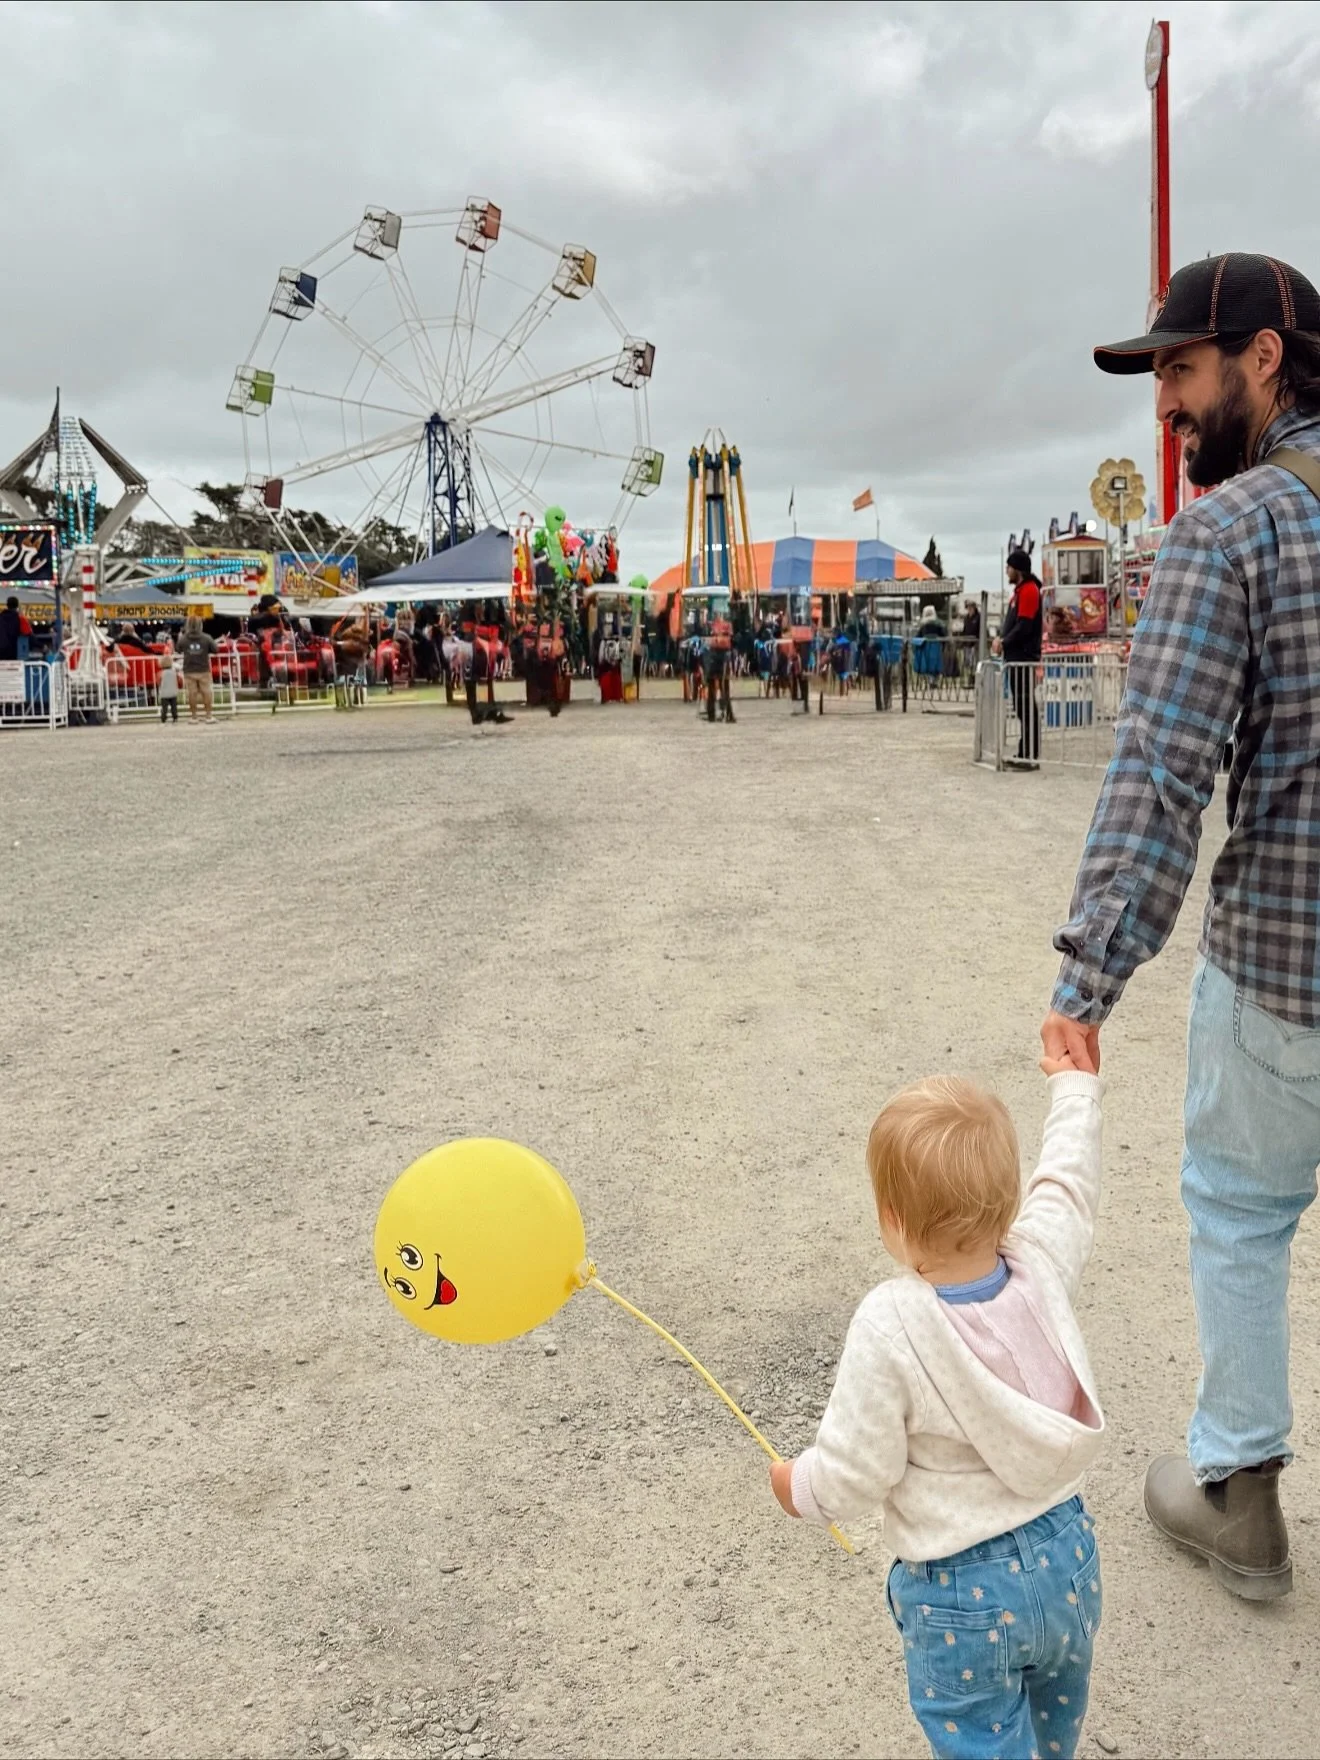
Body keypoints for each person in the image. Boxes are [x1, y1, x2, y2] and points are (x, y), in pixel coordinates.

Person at [1042, 252, 1320, 1602]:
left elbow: (1162, 777)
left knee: (1242, 1212)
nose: (1162, 402)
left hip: (1285, 963)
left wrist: (1086, 979)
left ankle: (1239, 1493)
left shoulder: (1236, 531)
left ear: (1264, 359)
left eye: (1180, 368)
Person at [771, 1060, 1106, 1760]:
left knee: (983, 1739)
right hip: (1067, 1558)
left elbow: (856, 1472)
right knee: (1053, 1726)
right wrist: (1075, 1088)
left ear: (892, 1219)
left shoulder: (892, 1323)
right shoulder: (1042, 1261)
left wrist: (798, 1486)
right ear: (1010, 1197)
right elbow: (1067, 1184)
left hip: (962, 1595)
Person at [995, 550, 1042, 767]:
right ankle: (1025, 752)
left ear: (1018, 569)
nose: (1007, 571)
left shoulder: (1029, 590)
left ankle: (1030, 755)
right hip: (1015, 657)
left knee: (1025, 705)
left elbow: (1024, 626)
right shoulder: (1020, 592)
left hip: (1023, 656)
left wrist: (1004, 642)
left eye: (1009, 567)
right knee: (1021, 705)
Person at [178, 616, 218, 723]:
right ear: (201, 625)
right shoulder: (207, 638)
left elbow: (178, 648)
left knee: (192, 693)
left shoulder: (183, 638)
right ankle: (208, 716)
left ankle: (194, 717)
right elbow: (215, 649)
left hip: (189, 669)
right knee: (206, 692)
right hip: (203, 668)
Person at [157, 638, 179, 724]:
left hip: (164, 693)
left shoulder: (161, 673)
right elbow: (177, 680)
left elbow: (158, 681)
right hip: (173, 692)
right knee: (174, 706)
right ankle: (175, 717)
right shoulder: (174, 672)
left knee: (164, 707)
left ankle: (163, 717)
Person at [0, 595, 24, 661]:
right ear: (17, 606)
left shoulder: (1, 617)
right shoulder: (19, 618)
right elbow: (27, 633)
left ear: (7, 605)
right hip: (13, 653)